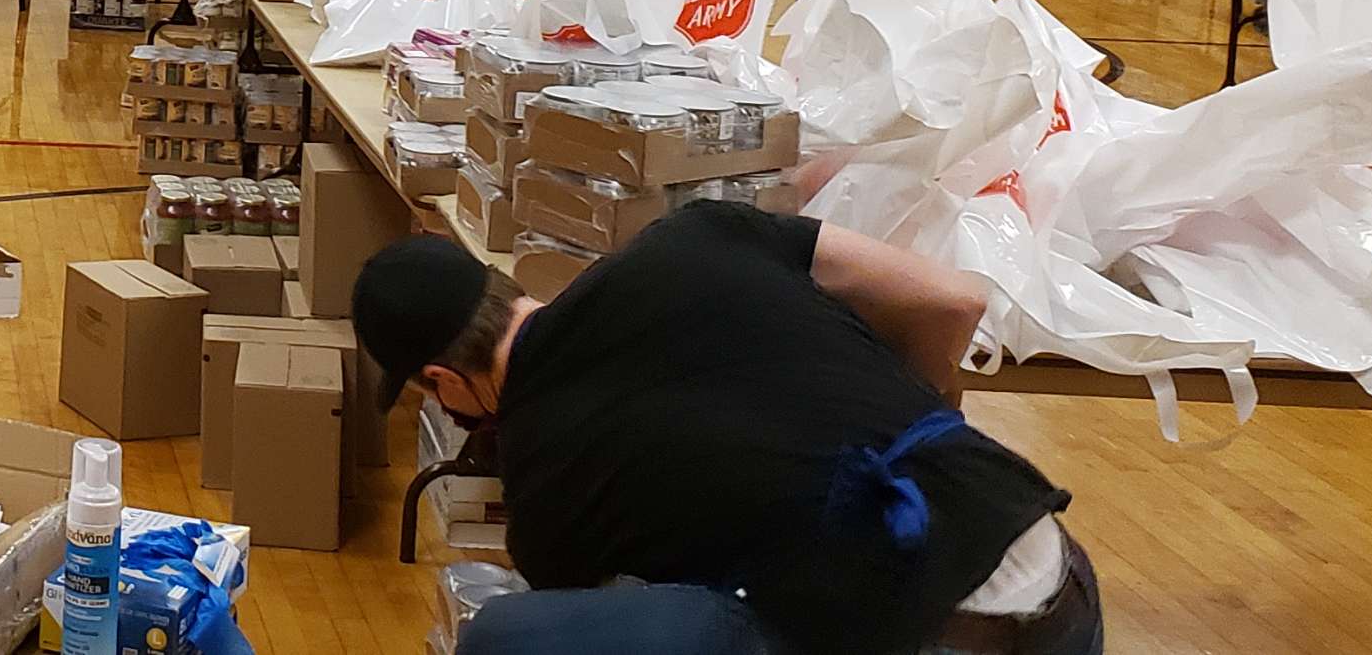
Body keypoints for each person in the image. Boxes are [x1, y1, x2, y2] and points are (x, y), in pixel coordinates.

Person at [353, 219, 1098, 655]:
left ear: (443, 381)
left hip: (925, 636)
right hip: (1060, 588)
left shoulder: (545, 477)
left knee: (509, 636)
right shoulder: (697, 233)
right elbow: (954, 299)